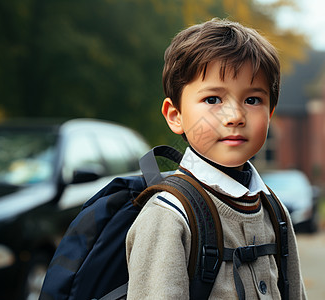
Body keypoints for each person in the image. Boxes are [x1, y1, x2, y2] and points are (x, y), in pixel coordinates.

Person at [125, 19, 307, 299]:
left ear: (270, 113)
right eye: (213, 100)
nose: (235, 116)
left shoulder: (274, 209)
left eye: (253, 100)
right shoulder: (168, 216)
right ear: (176, 116)